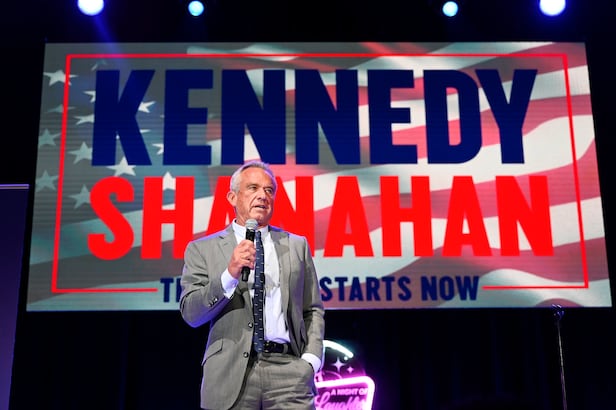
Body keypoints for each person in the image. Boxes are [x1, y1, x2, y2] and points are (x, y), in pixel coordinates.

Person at [180, 160, 325, 410]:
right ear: (232, 197)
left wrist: (311, 360)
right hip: (229, 373)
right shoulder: (202, 249)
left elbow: (312, 309)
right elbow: (191, 313)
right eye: (253, 188)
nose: (262, 196)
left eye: (269, 190)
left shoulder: (296, 245)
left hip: (289, 372)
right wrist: (229, 274)